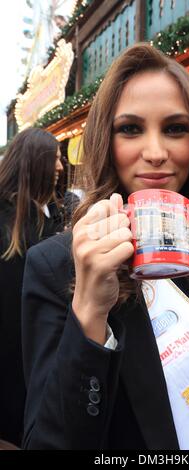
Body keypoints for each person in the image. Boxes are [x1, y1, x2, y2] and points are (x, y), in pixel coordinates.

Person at [22, 43, 189, 450]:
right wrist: (90, 311)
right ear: (105, 141)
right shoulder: (57, 265)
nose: (157, 153)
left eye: (176, 128)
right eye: (130, 129)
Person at [0, 127, 64, 446]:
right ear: (35, 162)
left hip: (34, 341)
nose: (61, 167)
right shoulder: (7, 219)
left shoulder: (49, 215)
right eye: (55, 158)